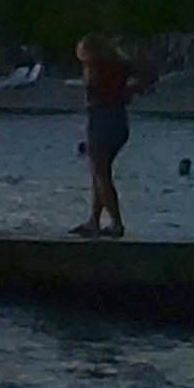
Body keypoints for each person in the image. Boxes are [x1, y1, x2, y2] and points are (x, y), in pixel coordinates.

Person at [76, 33, 144, 237]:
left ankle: (116, 223)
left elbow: (95, 95)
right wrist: (131, 91)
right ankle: (94, 220)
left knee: (100, 174)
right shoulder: (119, 64)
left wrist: (125, 92)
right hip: (118, 120)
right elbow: (148, 75)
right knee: (100, 172)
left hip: (101, 120)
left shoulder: (96, 67)